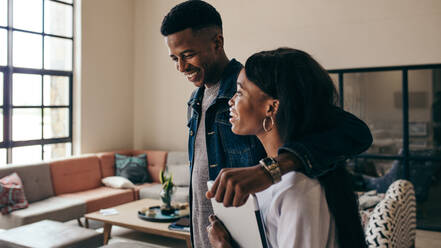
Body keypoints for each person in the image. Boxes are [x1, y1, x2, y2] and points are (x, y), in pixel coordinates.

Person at [160, 1, 372, 247]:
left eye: (188, 55)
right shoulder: (195, 101)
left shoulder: (258, 83)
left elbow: (356, 132)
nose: (181, 67)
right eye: (174, 58)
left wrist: (270, 169)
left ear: (217, 42)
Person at [207, 48, 366, 248]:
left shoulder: (297, 189)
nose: (230, 101)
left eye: (239, 92)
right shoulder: (273, 173)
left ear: (271, 107)